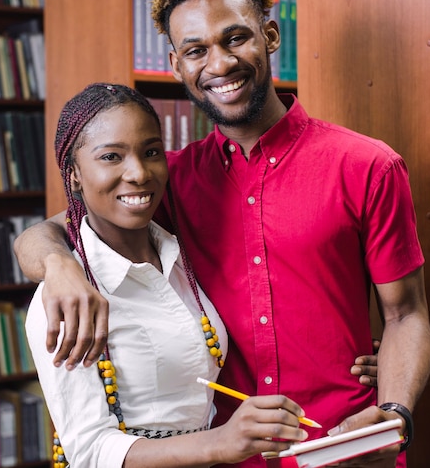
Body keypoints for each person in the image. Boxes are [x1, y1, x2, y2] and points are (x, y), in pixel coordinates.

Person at [15, 0, 430, 466]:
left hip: (346, 447)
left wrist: (394, 409)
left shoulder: (366, 166)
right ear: (175, 64)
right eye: (196, 50)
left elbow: (406, 315)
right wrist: (60, 267)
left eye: (236, 38)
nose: (220, 63)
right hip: (226, 457)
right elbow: (46, 231)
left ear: (270, 35)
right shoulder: (163, 181)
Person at [25, 82, 309, 468]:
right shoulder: (63, 299)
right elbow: (90, 451)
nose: (139, 173)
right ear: (74, 173)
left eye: (151, 152)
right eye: (111, 156)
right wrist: (219, 442)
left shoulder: (182, 258)